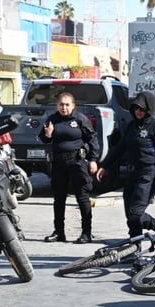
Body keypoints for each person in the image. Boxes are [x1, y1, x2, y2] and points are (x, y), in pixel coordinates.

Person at [97, 91, 155, 237]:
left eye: (142, 109)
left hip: (148, 173)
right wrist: (105, 166)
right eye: (136, 108)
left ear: (149, 109)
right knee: (130, 214)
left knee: (136, 212)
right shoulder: (131, 126)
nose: (138, 112)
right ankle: (134, 245)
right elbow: (119, 149)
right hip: (132, 173)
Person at [39, 92, 100, 243]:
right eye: (61, 104)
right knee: (59, 199)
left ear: (73, 106)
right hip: (59, 163)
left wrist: (93, 160)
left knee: (82, 197)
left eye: (67, 104)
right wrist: (48, 135)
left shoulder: (79, 119)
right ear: (57, 106)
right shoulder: (52, 120)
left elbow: (92, 139)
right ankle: (59, 232)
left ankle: (86, 232)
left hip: (77, 162)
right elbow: (43, 138)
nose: (64, 107)